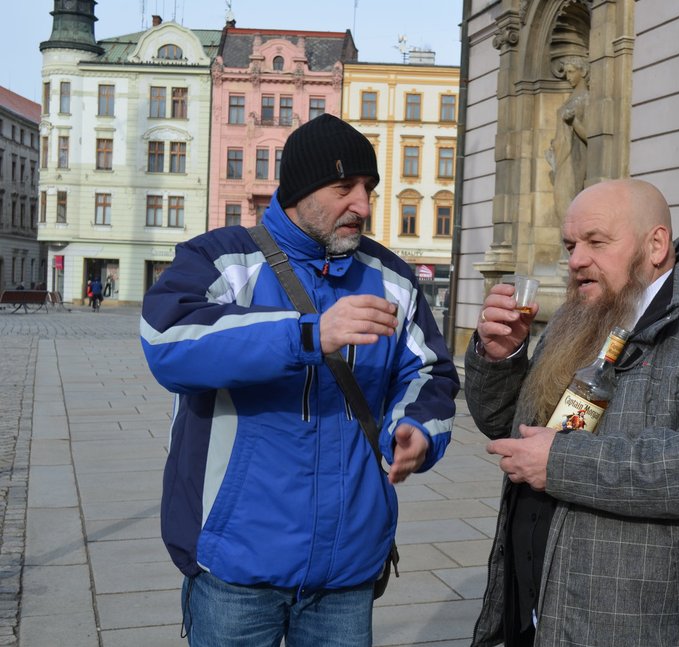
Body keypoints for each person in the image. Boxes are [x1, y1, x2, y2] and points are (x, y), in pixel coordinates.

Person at [140, 113, 460, 646]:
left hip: (348, 569)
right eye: (344, 187)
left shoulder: (392, 277)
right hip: (236, 567)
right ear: (299, 191)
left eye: (368, 188)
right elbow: (165, 342)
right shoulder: (220, 258)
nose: (362, 203)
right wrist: (307, 334)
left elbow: (430, 372)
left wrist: (417, 429)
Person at [466, 179, 679, 647]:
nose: (576, 260)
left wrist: (561, 463)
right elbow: (514, 430)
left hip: (646, 627)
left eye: (596, 242)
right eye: (571, 245)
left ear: (656, 245)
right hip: (542, 613)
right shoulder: (576, 320)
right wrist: (500, 358)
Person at [545, 56, 589, 222]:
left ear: (583, 71)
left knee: (567, 209)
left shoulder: (586, 97)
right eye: (566, 73)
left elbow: (590, 135)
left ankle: (571, 247)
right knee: (561, 208)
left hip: (574, 161)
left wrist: (574, 122)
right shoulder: (572, 97)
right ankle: (568, 247)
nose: (568, 77)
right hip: (562, 158)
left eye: (571, 72)